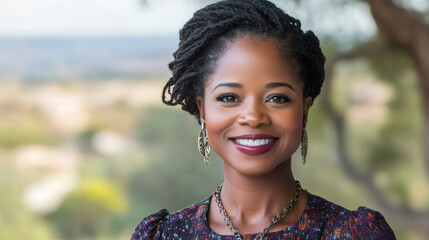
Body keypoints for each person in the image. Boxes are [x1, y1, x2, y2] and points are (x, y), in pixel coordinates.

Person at [131, 0, 396, 239]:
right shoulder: (162, 235)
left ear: (304, 110)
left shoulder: (355, 235)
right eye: (228, 98)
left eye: (277, 98)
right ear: (202, 110)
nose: (254, 117)